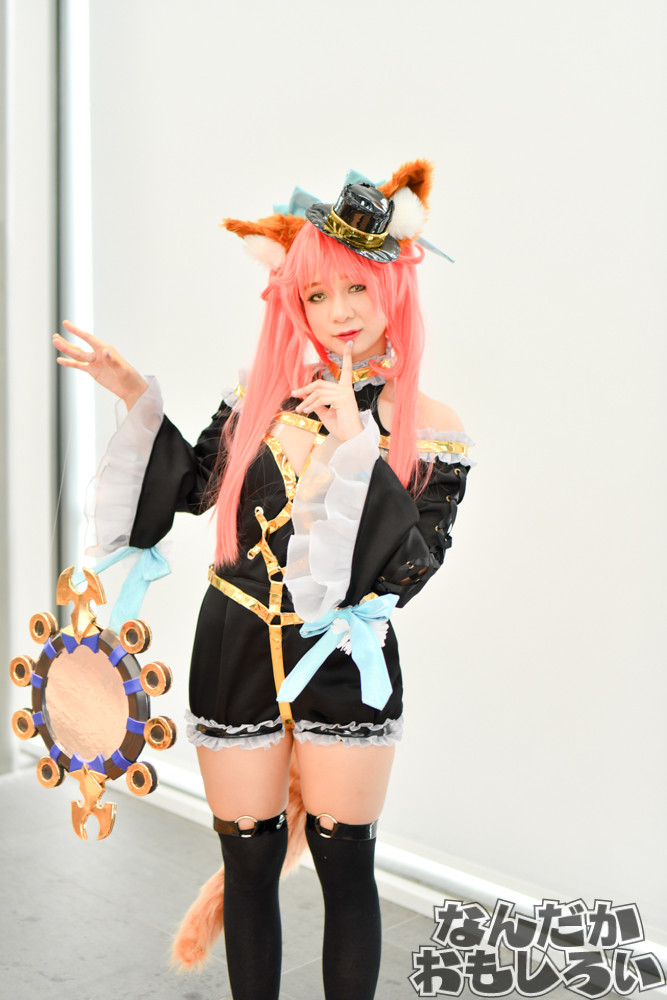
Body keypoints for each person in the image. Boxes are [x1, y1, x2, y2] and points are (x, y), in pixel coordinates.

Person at [53, 159, 473, 1000]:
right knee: (247, 864)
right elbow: (192, 490)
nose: (337, 312)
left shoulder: (429, 426)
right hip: (235, 644)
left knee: (344, 867)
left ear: (393, 288)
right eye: (316, 295)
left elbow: (410, 566)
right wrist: (133, 394)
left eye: (355, 288)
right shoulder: (261, 396)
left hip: (343, 659)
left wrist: (355, 443)